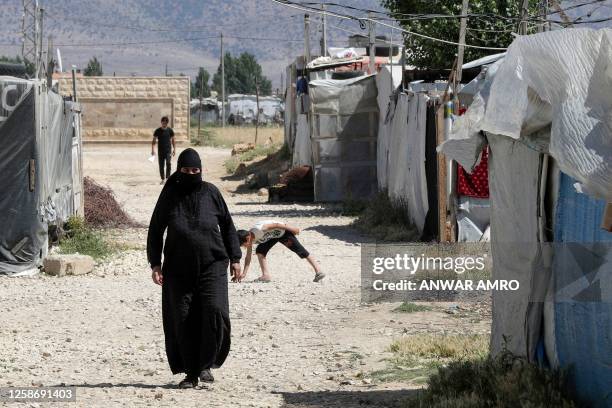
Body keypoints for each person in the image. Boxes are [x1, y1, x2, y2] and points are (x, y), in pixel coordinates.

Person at [147, 148, 242, 389]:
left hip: (213, 264)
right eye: (186, 170)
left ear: (201, 170)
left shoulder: (211, 192)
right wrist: (155, 263)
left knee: (215, 311)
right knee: (182, 317)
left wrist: (235, 258)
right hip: (178, 269)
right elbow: (156, 229)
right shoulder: (169, 195)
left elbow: (228, 226)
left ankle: (206, 364)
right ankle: (190, 372)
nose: (191, 173)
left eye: (195, 170)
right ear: (179, 170)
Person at [236, 220, 324, 283]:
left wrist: (293, 229)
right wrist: (244, 273)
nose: (244, 246)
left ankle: (318, 271)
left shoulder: (260, 229)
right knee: (260, 251)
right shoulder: (251, 239)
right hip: (272, 236)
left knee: (300, 250)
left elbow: (277, 225)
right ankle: (265, 276)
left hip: (283, 232)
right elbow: (248, 257)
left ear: (247, 238)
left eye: (243, 244)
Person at [151, 116, 176, 185]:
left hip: (168, 151)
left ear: (167, 123)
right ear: (161, 122)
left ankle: (168, 178)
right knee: (161, 165)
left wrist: (174, 149)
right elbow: (153, 141)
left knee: (168, 163)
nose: (164, 123)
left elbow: (173, 140)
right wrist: (153, 150)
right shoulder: (157, 131)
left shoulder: (170, 131)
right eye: (163, 122)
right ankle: (162, 179)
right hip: (160, 151)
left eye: (166, 122)